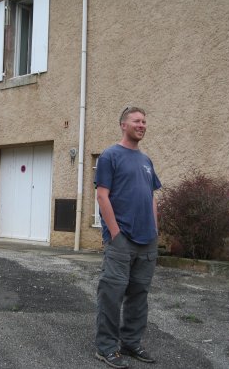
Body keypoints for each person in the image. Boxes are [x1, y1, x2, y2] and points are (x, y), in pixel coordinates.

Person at [94, 106, 161, 369]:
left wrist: (155, 230)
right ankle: (106, 347)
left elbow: (152, 196)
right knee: (112, 293)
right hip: (121, 240)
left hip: (147, 240)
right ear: (123, 125)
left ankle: (131, 343)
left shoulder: (146, 160)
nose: (142, 125)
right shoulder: (110, 156)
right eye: (137, 121)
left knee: (139, 294)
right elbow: (102, 195)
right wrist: (115, 234)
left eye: (144, 121)